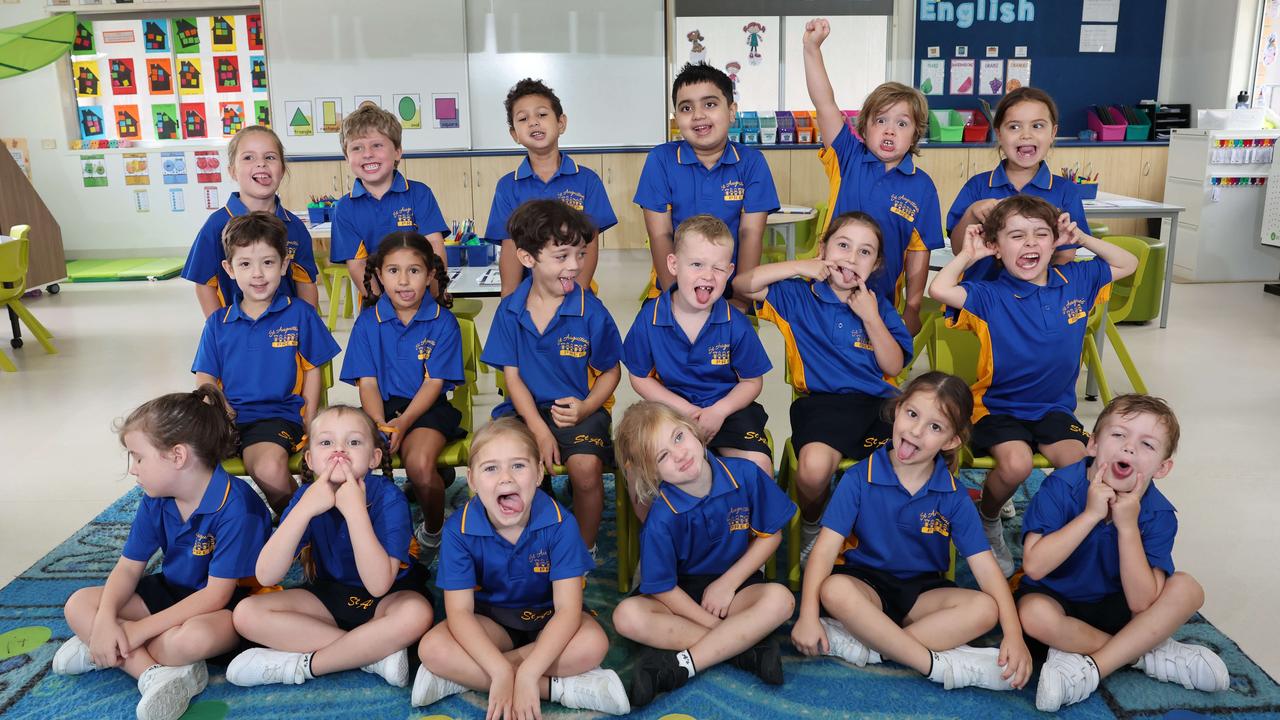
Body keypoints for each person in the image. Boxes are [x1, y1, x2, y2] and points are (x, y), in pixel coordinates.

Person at [928, 195, 1137, 576]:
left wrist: (1082, 239)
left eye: (1041, 234)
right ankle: (988, 516)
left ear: (1055, 241)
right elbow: (939, 290)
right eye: (1017, 235)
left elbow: (1128, 262)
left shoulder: (1076, 279)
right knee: (1018, 463)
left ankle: (1057, 533)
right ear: (996, 246)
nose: (1030, 244)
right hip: (998, 409)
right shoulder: (990, 294)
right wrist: (968, 255)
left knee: (1081, 466)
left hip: (1055, 409)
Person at [791, 372, 1032, 694]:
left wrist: (1014, 636)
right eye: (912, 414)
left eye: (935, 427)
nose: (916, 431)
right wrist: (807, 616)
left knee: (986, 609)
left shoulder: (954, 495)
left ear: (951, 441)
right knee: (834, 589)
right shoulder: (859, 478)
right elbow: (822, 552)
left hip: (923, 593)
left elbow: (987, 570)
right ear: (897, 409)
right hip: (865, 583)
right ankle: (937, 665)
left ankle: (871, 646)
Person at [53, 386, 271, 720]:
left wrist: (135, 630)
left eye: (139, 457)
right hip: (172, 591)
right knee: (79, 604)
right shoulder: (155, 498)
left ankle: (105, 648)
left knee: (188, 642)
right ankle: (154, 673)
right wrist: (107, 617)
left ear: (178, 456)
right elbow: (128, 569)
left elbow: (215, 596)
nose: (133, 469)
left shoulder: (237, 507)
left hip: (227, 606)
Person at [1018, 394, 1230, 712]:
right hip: (1057, 601)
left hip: (1120, 608)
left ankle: (1092, 666)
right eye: (1119, 435)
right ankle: (1145, 655)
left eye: (1147, 445)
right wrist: (1090, 515)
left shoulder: (1158, 513)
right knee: (1032, 614)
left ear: (1163, 467)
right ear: (1092, 445)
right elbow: (1034, 567)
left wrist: (1128, 526)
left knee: (1188, 588)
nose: (1129, 448)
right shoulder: (1060, 486)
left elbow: (1142, 603)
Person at [412, 417, 630, 716]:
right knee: (432, 648)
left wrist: (525, 673)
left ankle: (465, 679)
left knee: (593, 643)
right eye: (491, 468)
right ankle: (561, 689)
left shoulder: (562, 525)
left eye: (518, 465)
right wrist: (500, 671)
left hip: (550, 621)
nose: (506, 478)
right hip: (492, 624)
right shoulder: (458, 530)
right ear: (472, 480)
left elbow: (567, 611)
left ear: (539, 472)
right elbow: (460, 613)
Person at [734, 211, 911, 561]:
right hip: (821, 404)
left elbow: (892, 366)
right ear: (824, 248)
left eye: (865, 252)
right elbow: (743, 284)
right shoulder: (797, 296)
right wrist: (802, 266)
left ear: (875, 265)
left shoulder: (879, 306)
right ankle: (814, 525)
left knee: (914, 458)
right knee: (813, 470)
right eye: (843, 245)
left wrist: (871, 317)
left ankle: (884, 531)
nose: (851, 257)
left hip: (879, 404)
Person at [226, 406, 434, 690]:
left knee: (416, 614)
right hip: (329, 597)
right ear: (310, 459)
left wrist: (355, 512)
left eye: (354, 442)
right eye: (326, 442)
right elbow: (266, 576)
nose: (339, 450)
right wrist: (304, 510)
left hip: (388, 598)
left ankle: (302, 666)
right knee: (246, 614)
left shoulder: (389, 497)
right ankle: (370, 655)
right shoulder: (306, 496)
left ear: (374, 457)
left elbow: (378, 586)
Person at [611, 401, 796, 707]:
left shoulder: (746, 474)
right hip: (681, 596)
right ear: (650, 473)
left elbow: (771, 535)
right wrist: (714, 626)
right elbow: (665, 589)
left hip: (735, 588)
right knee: (626, 617)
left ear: (694, 431)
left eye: (678, 437)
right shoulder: (660, 518)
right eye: (662, 456)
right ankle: (744, 647)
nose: (679, 454)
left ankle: (678, 664)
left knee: (781, 600)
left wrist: (728, 584)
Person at [481, 199, 623, 557]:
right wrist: (539, 430)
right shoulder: (510, 310)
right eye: (562, 256)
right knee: (510, 466)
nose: (575, 266)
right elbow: (512, 379)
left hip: (578, 410)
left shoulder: (591, 309)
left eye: (579, 253)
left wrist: (587, 406)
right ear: (527, 258)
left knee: (587, 470)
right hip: (523, 412)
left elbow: (611, 371)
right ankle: (523, 543)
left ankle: (582, 548)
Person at [192, 212, 340, 514]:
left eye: (268, 263)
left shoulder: (300, 314)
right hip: (227, 421)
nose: (257, 274)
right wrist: (218, 413)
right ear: (229, 269)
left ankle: (308, 527)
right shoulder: (218, 323)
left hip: (278, 417)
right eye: (245, 264)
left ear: (284, 265)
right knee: (173, 456)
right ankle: (220, 531)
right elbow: (205, 378)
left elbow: (313, 371)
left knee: (268, 469)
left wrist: (310, 420)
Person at [802, 18, 943, 335]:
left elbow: (920, 252)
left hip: (880, 307)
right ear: (863, 128)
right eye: (881, 120)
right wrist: (811, 49)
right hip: (825, 294)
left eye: (902, 123)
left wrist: (913, 306)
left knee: (876, 374)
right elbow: (824, 102)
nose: (890, 129)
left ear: (915, 135)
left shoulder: (922, 187)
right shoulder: (847, 158)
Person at [340, 231, 465, 563]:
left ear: (430, 275)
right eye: (393, 271)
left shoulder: (443, 323)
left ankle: (434, 532)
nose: (404, 280)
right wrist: (379, 424)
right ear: (379, 275)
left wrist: (403, 424)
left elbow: (434, 384)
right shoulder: (367, 323)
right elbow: (367, 383)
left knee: (420, 466)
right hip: (379, 408)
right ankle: (356, 536)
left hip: (426, 409)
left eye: (414, 270)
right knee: (346, 458)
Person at [623, 215, 774, 485]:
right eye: (696, 264)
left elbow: (752, 381)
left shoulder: (736, 323)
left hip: (727, 409)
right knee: (640, 471)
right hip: (670, 410)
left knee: (759, 464)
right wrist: (683, 409)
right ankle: (658, 526)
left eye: (718, 268)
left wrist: (719, 411)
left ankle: (757, 526)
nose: (707, 275)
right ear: (673, 264)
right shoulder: (650, 318)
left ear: (729, 272)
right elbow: (639, 376)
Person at [633, 62, 779, 311]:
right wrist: (675, 297)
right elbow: (660, 235)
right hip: (674, 285)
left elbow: (750, 234)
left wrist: (741, 301)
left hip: (731, 289)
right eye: (686, 107)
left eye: (709, 104)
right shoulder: (661, 160)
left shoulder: (752, 163)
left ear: (732, 111)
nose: (698, 115)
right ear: (677, 118)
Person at [484, 78, 617, 295]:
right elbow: (509, 249)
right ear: (515, 134)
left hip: (576, 289)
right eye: (523, 118)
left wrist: (578, 294)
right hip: (531, 296)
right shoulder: (508, 186)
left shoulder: (587, 180)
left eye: (542, 115)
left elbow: (590, 245)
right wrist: (508, 299)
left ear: (561, 123)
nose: (534, 122)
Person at [947, 87, 1088, 283]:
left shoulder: (1065, 191)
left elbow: (1065, 255)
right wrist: (971, 213)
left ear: (1053, 133)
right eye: (1014, 127)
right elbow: (958, 250)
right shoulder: (977, 186)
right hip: (980, 302)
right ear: (999, 134)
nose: (1026, 135)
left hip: (1036, 304)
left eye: (1037, 126)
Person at [182, 125, 319, 316]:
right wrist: (220, 332)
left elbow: (306, 284)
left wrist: (307, 329)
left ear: (282, 169)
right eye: (248, 157)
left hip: (286, 337)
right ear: (232, 171)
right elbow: (204, 284)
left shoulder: (295, 227)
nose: (261, 164)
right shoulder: (216, 225)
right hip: (237, 337)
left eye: (270, 157)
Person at [330, 104, 449, 296]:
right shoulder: (344, 208)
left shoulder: (419, 194)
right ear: (346, 157)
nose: (367, 154)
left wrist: (437, 299)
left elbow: (435, 247)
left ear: (397, 151)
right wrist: (380, 309)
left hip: (423, 297)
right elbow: (357, 264)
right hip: (378, 302)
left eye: (377, 145)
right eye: (357, 148)